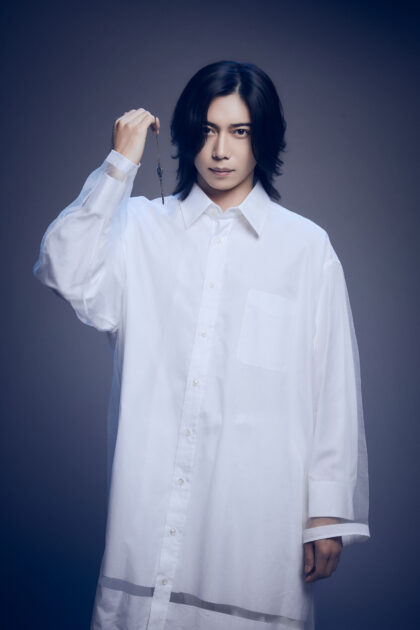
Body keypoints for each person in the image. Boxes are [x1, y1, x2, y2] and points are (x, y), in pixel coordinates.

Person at [33, 60, 370, 630]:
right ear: (189, 133)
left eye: (239, 131)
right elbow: (61, 267)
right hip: (146, 534)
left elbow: (331, 382)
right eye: (208, 130)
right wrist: (119, 165)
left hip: (253, 533)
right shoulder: (140, 227)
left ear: (263, 138)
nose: (220, 150)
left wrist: (327, 514)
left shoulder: (306, 248)